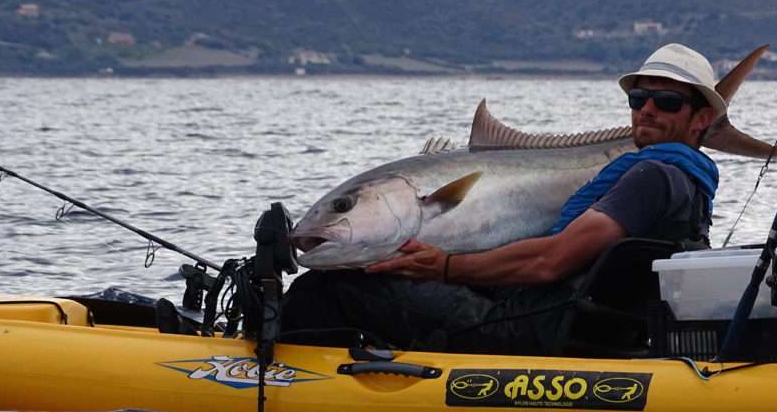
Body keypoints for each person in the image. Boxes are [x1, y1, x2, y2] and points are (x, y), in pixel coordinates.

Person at [281, 43, 725, 354]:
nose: (647, 109)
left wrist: (445, 267)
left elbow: (550, 262)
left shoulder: (651, 177)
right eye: (639, 97)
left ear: (701, 118)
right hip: (580, 325)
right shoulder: (686, 184)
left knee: (331, 288)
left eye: (667, 101)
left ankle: (296, 389)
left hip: (534, 330)